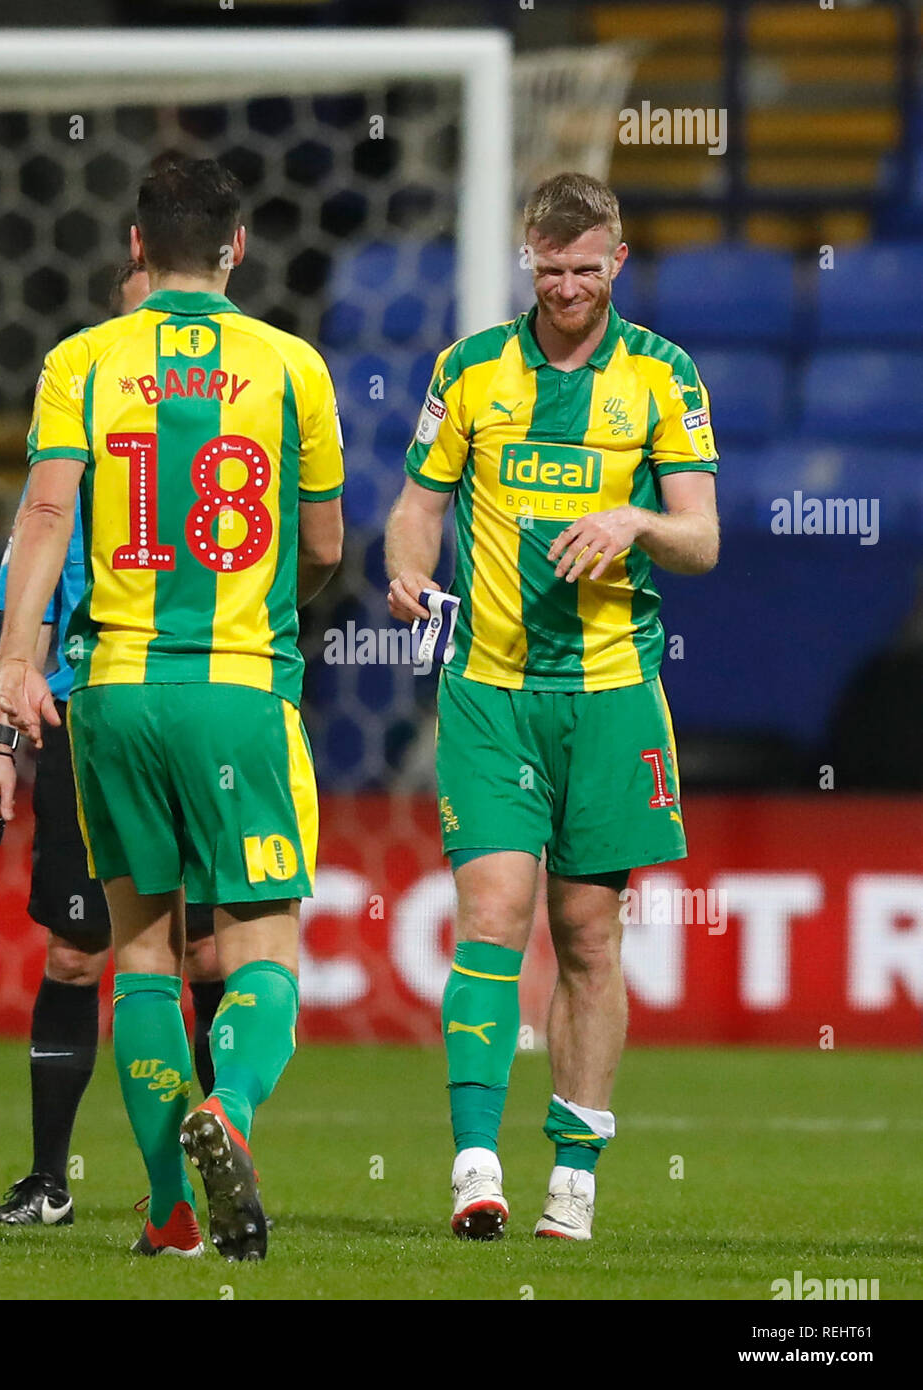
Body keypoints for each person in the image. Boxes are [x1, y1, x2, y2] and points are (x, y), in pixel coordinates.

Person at [0, 152, 343, 1261]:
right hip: (239, 687)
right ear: (237, 247)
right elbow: (328, 544)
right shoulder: (294, 368)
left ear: (137, 246)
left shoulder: (83, 360)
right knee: (260, 950)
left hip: (111, 692)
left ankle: (167, 1211)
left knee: (138, 955)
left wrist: (18, 662)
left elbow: (46, 515)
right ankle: (229, 1106)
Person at [385, 172, 719, 1242]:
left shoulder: (664, 376)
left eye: (586, 268)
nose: (567, 286)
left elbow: (702, 537)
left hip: (613, 695)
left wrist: (631, 521)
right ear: (526, 258)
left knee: (586, 933)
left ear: (617, 262)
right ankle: (474, 1166)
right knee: (490, 918)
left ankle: (573, 1172)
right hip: (489, 691)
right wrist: (405, 573)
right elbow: (417, 504)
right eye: (550, 267)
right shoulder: (471, 368)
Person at [0, 260, 225, 1228]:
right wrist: (1, 741)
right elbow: (25, 614)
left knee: (201, 953)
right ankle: (46, 1181)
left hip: (192, 710)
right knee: (79, 952)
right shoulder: (66, 477)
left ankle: (209, 1173)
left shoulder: (203, 455)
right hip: (84, 721)